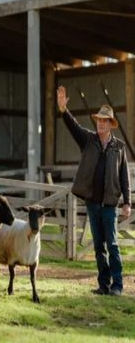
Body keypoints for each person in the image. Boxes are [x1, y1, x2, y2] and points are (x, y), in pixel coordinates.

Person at [57, 86, 131, 296]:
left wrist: (126, 202)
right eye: (98, 119)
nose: (100, 122)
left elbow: (124, 176)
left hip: (109, 205)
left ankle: (117, 286)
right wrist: (64, 110)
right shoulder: (88, 140)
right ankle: (103, 285)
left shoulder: (119, 148)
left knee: (113, 245)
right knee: (99, 246)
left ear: (110, 125)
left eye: (104, 120)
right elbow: (74, 127)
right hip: (93, 204)